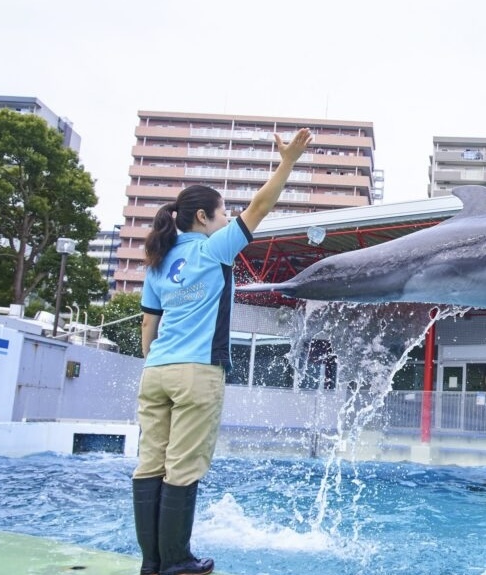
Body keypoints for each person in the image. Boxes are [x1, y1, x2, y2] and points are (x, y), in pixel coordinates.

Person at [132, 128, 312, 575]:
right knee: (182, 467)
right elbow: (261, 207)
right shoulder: (214, 250)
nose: (226, 217)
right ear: (202, 217)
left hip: (156, 372)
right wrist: (288, 161)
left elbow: (148, 324)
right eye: (221, 213)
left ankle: (151, 562)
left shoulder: (160, 261)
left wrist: (154, 363)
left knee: (149, 464)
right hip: (196, 374)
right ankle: (176, 561)